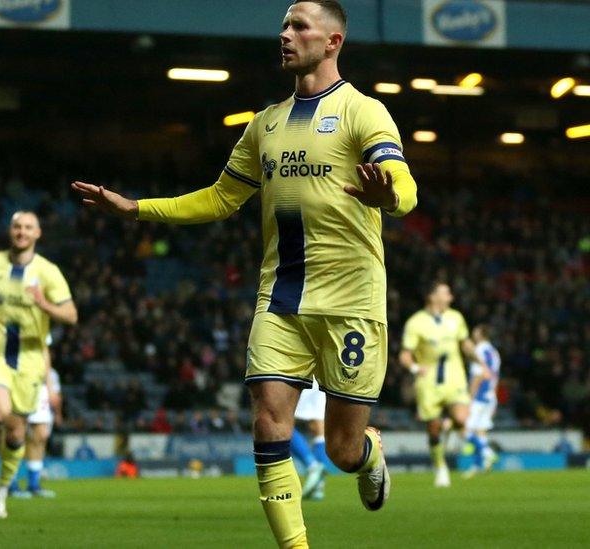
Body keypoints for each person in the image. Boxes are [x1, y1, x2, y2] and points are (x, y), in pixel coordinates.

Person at [72, 1, 417, 544]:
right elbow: (218, 198)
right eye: (283, 24)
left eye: (298, 25)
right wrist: (136, 209)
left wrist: (389, 193)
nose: (285, 34)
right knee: (267, 421)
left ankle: (369, 452)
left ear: (332, 43)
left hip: (351, 300)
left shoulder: (363, 112)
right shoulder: (264, 125)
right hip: (279, 299)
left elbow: (406, 186)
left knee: (341, 451)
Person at [0, 211, 77, 519]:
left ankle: (1, 492)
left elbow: (71, 315)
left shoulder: (48, 272)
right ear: (10, 230)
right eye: (17, 226)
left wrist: (43, 304)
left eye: (28, 227)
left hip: (30, 358)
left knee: (16, 435)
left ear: (38, 233)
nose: (22, 232)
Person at [399, 281, 477, 488]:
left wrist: (479, 360)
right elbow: (405, 355)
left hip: (455, 377)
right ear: (432, 297)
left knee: (461, 418)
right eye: (446, 293)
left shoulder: (456, 317)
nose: (450, 297)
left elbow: (465, 343)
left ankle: (449, 428)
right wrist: (415, 369)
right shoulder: (416, 323)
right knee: (433, 428)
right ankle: (440, 467)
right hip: (428, 382)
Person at [9, 350, 63, 499]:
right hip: (18, 379)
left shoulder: (42, 328)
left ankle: (34, 484)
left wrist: (49, 386)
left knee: (41, 435)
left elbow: (45, 351)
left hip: (39, 384)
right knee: (16, 433)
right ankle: (10, 483)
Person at [463, 324, 500, 477]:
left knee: (464, 429)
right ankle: (478, 465)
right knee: (480, 431)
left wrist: (470, 397)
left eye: (475, 331)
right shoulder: (494, 352)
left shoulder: (479, 350)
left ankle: (487, 452)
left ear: (481, 334)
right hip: (490, 396)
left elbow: (479, 375)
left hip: (478, 396)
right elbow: (495, 376)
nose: (473, 333)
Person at [291, 379, 326, 500]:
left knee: (283, 421)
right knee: (318, 427)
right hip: (321, 375)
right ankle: (318, 485)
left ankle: (312, 465)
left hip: (301, 372)